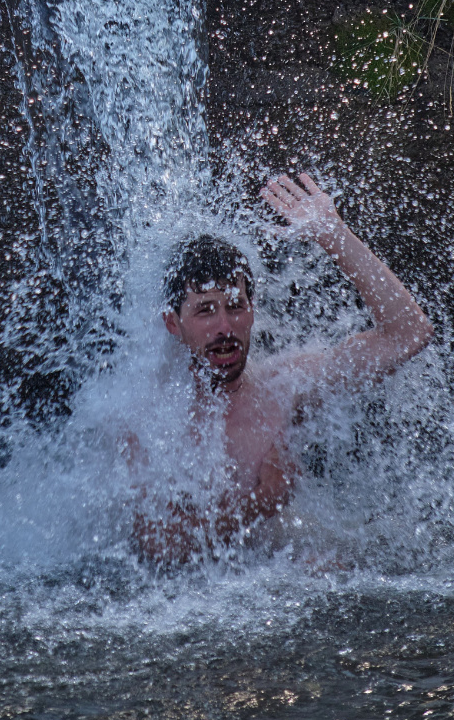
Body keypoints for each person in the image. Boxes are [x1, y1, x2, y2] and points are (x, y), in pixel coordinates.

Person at [129, 172, 434, 564]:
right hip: (202, 603)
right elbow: (160, 550)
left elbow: (408, 334)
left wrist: (332, 232)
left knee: (326, 565)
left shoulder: (283, 386)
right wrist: (263, 503)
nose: (225, 327)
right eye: (205, 311)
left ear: (252, 311)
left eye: (235, 307)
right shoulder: (149, 419)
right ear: (174, 324)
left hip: (280, 583)